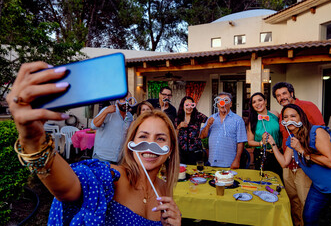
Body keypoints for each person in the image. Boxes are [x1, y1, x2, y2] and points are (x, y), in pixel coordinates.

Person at [6, 61, 181, 225]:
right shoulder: (111, 178)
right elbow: (68, 189)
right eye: (143, 136)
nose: (150, 144)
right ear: (132, 142)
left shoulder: (165, 189)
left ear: (170, 149)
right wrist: (35, 142)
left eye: (160, 138)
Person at [269, 104, 331, 226]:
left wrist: (301, 150)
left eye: (293, 116)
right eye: (285, 117)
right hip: (320, 186)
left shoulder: (317, 132)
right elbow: (284, 163)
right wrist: (272, 144)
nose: (288, 119)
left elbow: (330, 162)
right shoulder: (293, 139)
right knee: (309, 218)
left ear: (301, 118)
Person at [272, 82, 325, 226]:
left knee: (305, 200)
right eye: (278, 96)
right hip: (288, 164)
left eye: (284, 93)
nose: (282, 97)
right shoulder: (282, 115)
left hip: (304, 163)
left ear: (291, 93)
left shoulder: (308, 107)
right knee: (292, 199)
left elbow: (322, 132)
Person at [200, 92, 247, 168]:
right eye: (220, 101)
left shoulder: (238, 120)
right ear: (217, 104)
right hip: (212, 162)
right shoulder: (211, 118)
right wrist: (208, 125)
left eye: (226, 100)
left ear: (230, 104)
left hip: (229, 163)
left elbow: (241, 142)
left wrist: (237, 160)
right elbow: (202, 136)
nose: (223, 103)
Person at [91, 92, 136, 164]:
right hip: (102, 158)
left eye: (129, 100)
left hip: (119, 159)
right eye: (123, 99)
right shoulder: (108, 110)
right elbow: (93, 125)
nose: (126, 102)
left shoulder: (130, 117)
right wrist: (105, 112)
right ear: (117, 100)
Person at [246, 92, 282, 178]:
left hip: (278, 153)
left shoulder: (275, 114)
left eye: (260, 100)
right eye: (254, 102)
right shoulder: (252, 121)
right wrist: (261, 143)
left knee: (278, 179)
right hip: (261, 154)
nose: (257, 103)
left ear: (265, 101)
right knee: (262, 180)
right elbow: (250, 142)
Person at [175, 96, 208, 165]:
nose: (189, 107)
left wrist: (203, 130)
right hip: (182, 152)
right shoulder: (178, 118)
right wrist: (179, 126)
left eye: (191, 105)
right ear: (182, 106)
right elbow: (174, 135)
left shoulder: (198, 116)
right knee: (182, 173)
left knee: (195, 172)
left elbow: (209, 121)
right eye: (187, 105)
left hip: (196, 151)